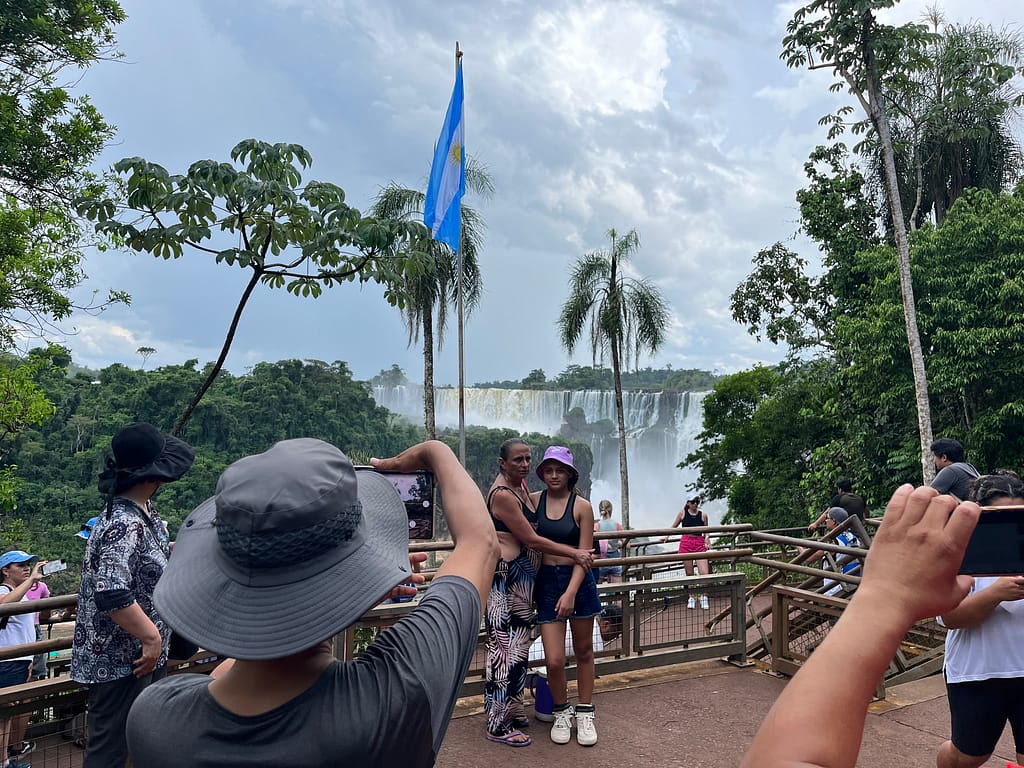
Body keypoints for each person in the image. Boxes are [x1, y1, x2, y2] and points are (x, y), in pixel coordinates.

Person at [125, 438, 498, 768]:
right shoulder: (392, 698)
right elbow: (480, 544)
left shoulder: (155, 720)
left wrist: (339, 593)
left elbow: (247, 663)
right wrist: (437, 452)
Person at [740, 484, 981, 768]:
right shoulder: (852, 534)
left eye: (829, 517)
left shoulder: (836, 536)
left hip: (838, 594)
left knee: (834, 627)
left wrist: (886, 594)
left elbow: (783, 760)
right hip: (851, 590)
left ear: (834, 519)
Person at [70, 422, 195, 768]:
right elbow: (111, 590)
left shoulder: (144, 515)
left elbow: (143, 563)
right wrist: (151, 638)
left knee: (142, 740)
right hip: (120, 661)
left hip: (137, 659)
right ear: (156, 477)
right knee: (110, 750)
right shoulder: (123, 523)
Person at [483, 438, 593, 748]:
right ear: (502, 463)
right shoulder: (508, 494)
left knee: (517, 652)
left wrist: (573, 566)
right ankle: (497, 723)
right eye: (517, 459)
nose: (524, 464)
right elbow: (531, 539)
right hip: (507, 581)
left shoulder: (523, 492)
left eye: (528, 459)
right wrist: (575, 554)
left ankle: (514, 712)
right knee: (503, 652)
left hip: (527, 583)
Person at [935, 470, 1024, 768]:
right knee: (969, 757)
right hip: (978, 672)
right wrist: (995, 594)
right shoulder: (959, 552)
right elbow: (950, 618)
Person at [530, 446, 602, 747]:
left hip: (578, 581)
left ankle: (585, 712)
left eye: (560, 470)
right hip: (546, 582)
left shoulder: (582, 506)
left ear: (570, 473)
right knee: (555, 660)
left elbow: (584, 556)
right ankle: (562, 710)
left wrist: (571, 592)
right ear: (543, 473)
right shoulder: (534, 501)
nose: (554, 475)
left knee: (584, 651)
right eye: (549, 469)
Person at [1, 551, 47, 768]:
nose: (27, 568)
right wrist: (31, 581)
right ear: (5, 571)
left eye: (28, 564)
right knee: (3, 715)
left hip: (17, 660)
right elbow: (3, 605)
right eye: (20, 565)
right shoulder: (3, 589)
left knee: (6, 715)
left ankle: (5, 761)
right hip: (6, 662)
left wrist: (27, 661)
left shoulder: (20, 592)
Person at [527, 604, 623, 662]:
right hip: (539, 667)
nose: (616, 637)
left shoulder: (586, 621)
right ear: (605, 625)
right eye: (616, 632)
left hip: (533, 657)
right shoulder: (595, 640)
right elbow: (594, 675)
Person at [665, 492, 711, 609]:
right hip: (686, 542)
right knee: (689, 573)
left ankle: (704, 596)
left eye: (697, 501)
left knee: (704, 573)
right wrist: (666, 536)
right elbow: (674, 526)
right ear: (688, 503)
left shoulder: (703, 515)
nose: (695, 504)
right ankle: (691, 597)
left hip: (699, 543)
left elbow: (706, 531)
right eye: (693, 502)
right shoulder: (682, 513)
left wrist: (707, 539)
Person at [805, 507, 862, 597]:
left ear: (834, 521)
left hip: (836, 589)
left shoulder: (833, 541)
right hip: (854, 584)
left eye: (827, 518)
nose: (826, 521)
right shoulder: (854, 538)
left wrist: (798, 546)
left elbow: (809, 559)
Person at [595, 500, 625, 583]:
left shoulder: (597, 526)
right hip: (615, 559)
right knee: (618, 589)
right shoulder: (617, 525)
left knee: (597, 589)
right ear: (611, 510)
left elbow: (593, 543)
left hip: (601, 559)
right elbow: (628, 545)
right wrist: (619, 543)